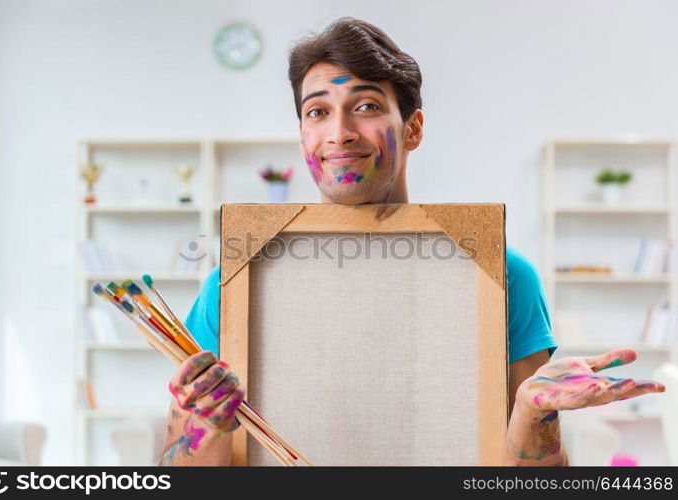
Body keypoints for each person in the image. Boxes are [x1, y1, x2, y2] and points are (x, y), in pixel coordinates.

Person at [159, 17, 665, 466]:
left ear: (414, 127)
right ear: (302, 137)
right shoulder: (233, 283)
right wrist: (208, 429)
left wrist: (536, 415)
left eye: (365, 106)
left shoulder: (503, 274)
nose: (339, 132)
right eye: (318, 112)